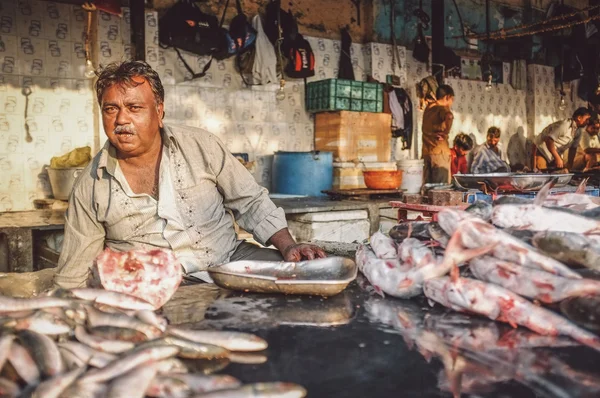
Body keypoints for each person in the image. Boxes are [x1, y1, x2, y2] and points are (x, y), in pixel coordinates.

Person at [54, 61, 325, 289]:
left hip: (228, 260)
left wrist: (288, 246)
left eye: (134, 108)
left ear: (159, 112)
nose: (121, 120)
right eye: (111, 109)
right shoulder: (90, 185)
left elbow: (251, 201)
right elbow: (74, 274)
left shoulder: (200, 145)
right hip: (150, 286)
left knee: (310, 279)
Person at [421, 84, 455, 184]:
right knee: (441, 189)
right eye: (452, 100)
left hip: (426, 152)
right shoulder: (442, 108)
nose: (451, 103)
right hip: (440, 153)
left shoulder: (428, 108)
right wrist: (446, 132)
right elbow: (449, 116)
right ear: (447, 97)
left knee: (427, 188)